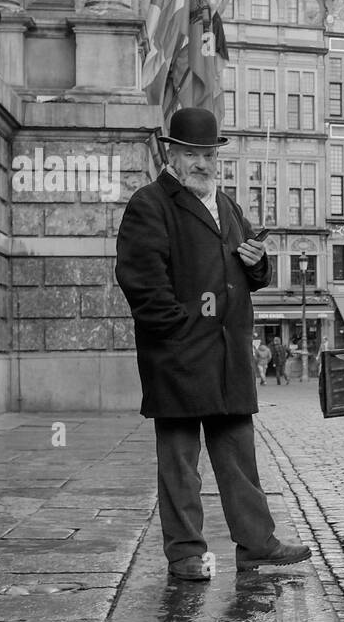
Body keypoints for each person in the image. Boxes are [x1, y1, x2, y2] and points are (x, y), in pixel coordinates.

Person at [114, 107, 311, 581]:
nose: (202, 163)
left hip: (227, 356)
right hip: (178, 356)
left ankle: (257, 544)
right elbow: (141, 281)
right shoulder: (150, 204)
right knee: (180, 463)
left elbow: (250, 274)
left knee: (239, 457)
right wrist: (178, 332)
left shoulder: (227, 206)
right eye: (192, 154)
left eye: (208, 154)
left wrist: (258, 262)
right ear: (172, 155)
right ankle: (185, 553)